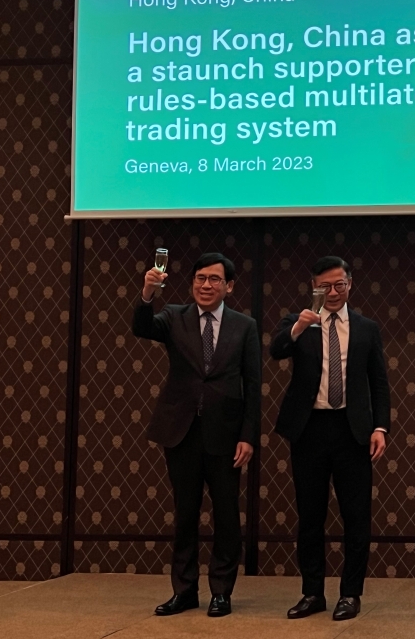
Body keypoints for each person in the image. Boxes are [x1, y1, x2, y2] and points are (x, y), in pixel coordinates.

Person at [132, 252, 261, 618]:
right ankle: (184, 590)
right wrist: (147, 293)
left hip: (226, 434)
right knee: (185, 513)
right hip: (181, 431)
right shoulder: (174, 316)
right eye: (200, 278)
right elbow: (142, 327)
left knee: (226, 514)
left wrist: (248, 435)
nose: (206, 285)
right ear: (192, 283)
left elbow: (253, 385)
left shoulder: (244, 326)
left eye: (215, 279)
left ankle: (221, 591)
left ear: (229, 286)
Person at [271, 255, 391, 621]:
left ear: (350, 284)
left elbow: (379, 382)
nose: (333, 292)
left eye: (339, 285)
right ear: (314, 287)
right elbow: (276, 350)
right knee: (310, 515)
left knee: (356, 516)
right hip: (309, 429)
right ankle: (312, 593)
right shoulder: (299, 321)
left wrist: (380, 427)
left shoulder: (366, 328)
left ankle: (350, 594)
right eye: (325, 286)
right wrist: (297, 329)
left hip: (352, 430)